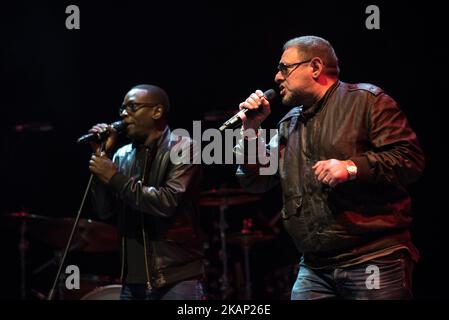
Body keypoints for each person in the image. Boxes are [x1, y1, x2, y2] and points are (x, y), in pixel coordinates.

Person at [234, 36, 425, 300]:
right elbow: (256, 180)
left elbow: (409, 160)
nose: (277, 77)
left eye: (284, 68)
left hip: (373, 257)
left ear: (314, 67)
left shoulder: (368, 101)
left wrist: (352, 167)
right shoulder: (289, 123)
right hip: (315, 266)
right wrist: (251, 130)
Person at [88, 84, 204, 300]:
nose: (123, 114)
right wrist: (103, 158)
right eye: (122, 108)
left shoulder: (184, 147)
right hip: (133, 282)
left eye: (132, 107)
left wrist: (114, 177)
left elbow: (167, 201)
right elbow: (104, 212)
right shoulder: (122, 155)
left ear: (157, 111)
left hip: (174, 278)